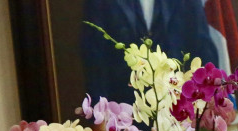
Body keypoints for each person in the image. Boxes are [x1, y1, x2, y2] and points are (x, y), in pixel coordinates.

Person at [80, 0, 221, 107]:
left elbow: (203, 47)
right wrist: (98, 112)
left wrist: (208, 99)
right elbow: (94, 57)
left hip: (177, 109)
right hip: (122, 111)